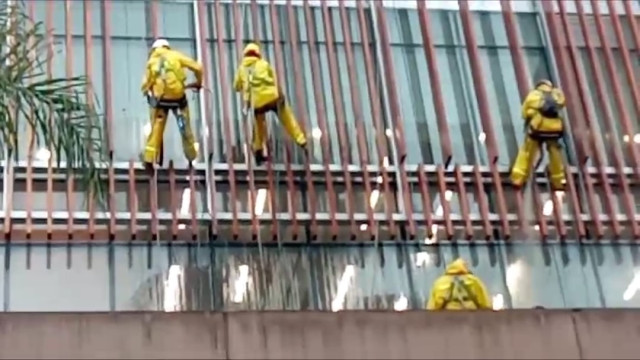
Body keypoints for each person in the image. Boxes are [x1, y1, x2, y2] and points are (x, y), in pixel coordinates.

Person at [233, 42, 307, 166]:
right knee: (287, 117)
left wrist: (244, 86)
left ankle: (258, 151)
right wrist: (281, 94)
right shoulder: (264, 64)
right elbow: (274, 80)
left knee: (259, 125)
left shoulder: (242, 68)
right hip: (272, 97)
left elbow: (236, 86)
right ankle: (301, 140)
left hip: (258, 102)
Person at [140, 38, 203, 171]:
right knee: (185, 128)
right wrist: (198, 82)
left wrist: (147, 92)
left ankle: (149, 160)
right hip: (178, 100)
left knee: (156, 130)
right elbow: (198, 67)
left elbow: (145, 84)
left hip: (161, 101)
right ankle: (191, 158)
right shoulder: (176, 56)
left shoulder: (152, 61)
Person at [510, 79, 567, 192]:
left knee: (527, 151)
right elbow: (562, 102)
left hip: (538, 127)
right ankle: (559, 180)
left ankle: (518, 178)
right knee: (555, 152)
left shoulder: (534, 94)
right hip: (554, 129)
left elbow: (525, 112)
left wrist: (531, 115)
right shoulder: (556, 94)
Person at [426, 258, 492, 311]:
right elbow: (485, 303)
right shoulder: (474, 281)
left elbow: (433, 307)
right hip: (471, 319)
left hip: (447, 320)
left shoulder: (440, 282)